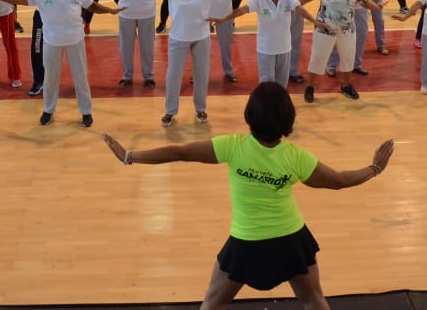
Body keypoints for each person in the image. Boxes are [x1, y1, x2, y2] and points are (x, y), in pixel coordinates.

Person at [100, 83, 393, 310]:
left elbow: (179, 152)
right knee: (313, 301)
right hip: (291, 240)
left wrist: (129, 156)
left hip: (246, 244)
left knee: (212, 304)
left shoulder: (233, 147)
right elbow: (339, 181)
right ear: (288, 120)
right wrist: (375, 167)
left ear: (250, 116)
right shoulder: (297, 157)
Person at [0, 0, 122, 126]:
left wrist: (110, 11)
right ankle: (48, 110)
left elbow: (92, 6)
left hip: (75, 40)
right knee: (50, 77)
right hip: (51, 41)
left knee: (80, 77)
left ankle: (86, 111)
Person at [138, 0, 252, 126]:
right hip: (178, 37)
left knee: (201, 74)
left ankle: (200, 109)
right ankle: (170, 111)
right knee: (173, 75)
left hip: (201, 36)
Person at [298, 0, 383, 103]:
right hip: (325, 28)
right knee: (318, 58)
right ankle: (310, 87)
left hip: (347, 30)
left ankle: (346, 85)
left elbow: (364, 1)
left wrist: (376, 6)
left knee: (348, 58)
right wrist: (292, 6)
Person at [213, 0, 319, 85]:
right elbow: (241, 10)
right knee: (266, 83)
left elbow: (300, 10)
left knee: (282, 83)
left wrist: (315, 22)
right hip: (266, 50)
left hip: (284, 48)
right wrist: (223, 19)